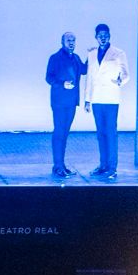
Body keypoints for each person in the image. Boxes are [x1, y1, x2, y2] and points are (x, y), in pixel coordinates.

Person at [82, 23, 128, 181]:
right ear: (96, 37)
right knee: (101, 134)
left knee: (111, 134)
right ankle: (102, 166)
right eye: (100, 35)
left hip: (111, 98)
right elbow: (89, 77)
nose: (103, 37)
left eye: (105, 35)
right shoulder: (92, 53)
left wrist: (120, 79)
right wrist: (87, 100)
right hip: (96, 99)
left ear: (110, 36)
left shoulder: (118, 53)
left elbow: (126, 74)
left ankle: (112, 168)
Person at [45, 31, 87, 179]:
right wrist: (62, 84)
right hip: (59, 102)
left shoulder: (76, 58)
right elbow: (48, 77)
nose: (71, 42)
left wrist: (93, 55)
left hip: (71, 102)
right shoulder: (55, 58)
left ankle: (61, 165)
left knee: (64, 133)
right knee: (59, 132)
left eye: (73, 40)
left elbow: (84, 70)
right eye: (69, 40)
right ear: (62, 42)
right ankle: (57, 166)